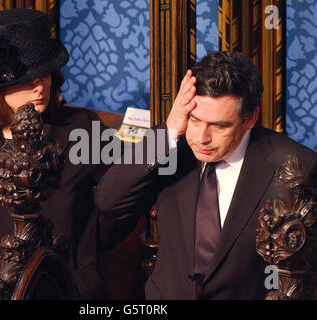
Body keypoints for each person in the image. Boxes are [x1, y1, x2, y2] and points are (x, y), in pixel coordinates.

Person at [0, 9, 135, 300]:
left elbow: (130, 187)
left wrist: (85, 257)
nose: (40, 86)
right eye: (26, 79)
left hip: (65, 290)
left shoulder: (82, 128)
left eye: (45, 73)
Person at [96, 51, 317, 299]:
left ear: (250, 118)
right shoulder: (170, 150)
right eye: (195, 119)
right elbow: (109, 200)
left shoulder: (296, 167)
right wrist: (168, 131)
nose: (202, 138)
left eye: (220, 125)